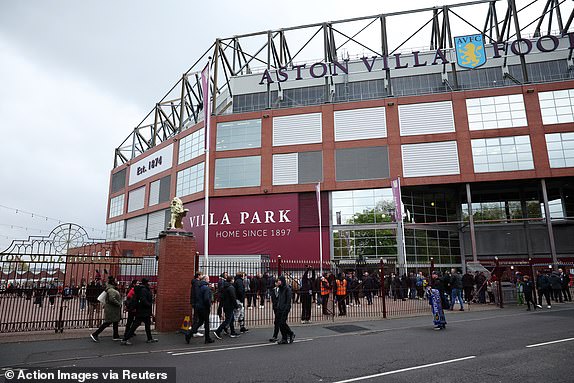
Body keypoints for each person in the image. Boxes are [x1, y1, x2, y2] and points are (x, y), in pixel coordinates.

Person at [121, 278, 157, 345]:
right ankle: (125, 339)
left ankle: (150, 338)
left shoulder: (143, 289)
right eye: (148, 282)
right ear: (146, 283)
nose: (149, 284)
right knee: (135, 326)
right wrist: (149, 304)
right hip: (143, 311)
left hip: (144, 311)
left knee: (147, 325)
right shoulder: (143, 290)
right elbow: (143, 299)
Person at [90, 276, 122, 342]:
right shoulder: (111, 290)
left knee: (115, 322)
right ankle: (95, 334)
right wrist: (119, 304)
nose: (117, 282)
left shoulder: (111, 289)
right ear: (113, 282)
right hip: (111, 309)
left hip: (113, 309)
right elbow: (112, 299)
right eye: (115, 281)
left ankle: (116, 335)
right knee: (107, 322)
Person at [185, 275, 214, 344]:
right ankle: (207, 338)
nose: (209, 280)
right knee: (206, 323)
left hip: (198, 306)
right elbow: (206, 299)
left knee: (200, 322)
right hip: (204, 308)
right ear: (205, 280)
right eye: (208, 279)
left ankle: (189, 334)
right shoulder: (206, 288)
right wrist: (208, 305)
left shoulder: (199, 287)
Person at [213, 275, 240, 340]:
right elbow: (233, 298)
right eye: (233, 279)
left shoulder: (224, 286)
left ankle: (232, 332)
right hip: (229, 306)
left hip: (225, 305)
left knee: (231, 319)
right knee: (227, 320)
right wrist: (236, 306)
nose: (234, 280)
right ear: (231, 280)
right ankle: (218, 331)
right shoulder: (231, 287)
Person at [276, 275, 295, 344]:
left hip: (285, 308)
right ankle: (285, 337)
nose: (278, 282)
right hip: (279, 308)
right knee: (280, 324)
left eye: (279, 280)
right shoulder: (280, 288)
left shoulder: (287, 289)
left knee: (282, 323)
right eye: (278, 280)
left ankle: (290, 333)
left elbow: (288, 300)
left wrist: (286, 308)